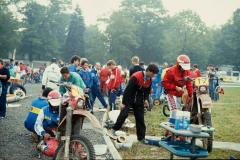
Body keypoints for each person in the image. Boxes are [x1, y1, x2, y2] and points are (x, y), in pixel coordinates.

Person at [111, 64, 159, 142]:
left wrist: (146, 100)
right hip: (129, 97)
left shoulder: (149, 79)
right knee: (124, 114)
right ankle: (114, 129)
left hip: (139, 99)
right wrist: (123, 103)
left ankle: (141, 138)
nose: (153, 76)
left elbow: (147, 91)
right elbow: (127, 90)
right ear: (149, 71)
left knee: (140, 118)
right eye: (153, 74)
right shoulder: (136, 76)